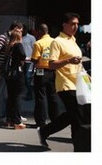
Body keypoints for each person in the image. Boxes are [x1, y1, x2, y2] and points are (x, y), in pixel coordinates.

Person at [38, 13, 91, 151]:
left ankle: (46, 132)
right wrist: (68, 60)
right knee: (77, 114)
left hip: (79, 84)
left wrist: (88, 78)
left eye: (77, 24)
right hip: (65, 84)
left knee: (76, 115)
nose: (75, 26)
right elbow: (51, 64)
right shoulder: (57, 41)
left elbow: (79, 64)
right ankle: (80, 147)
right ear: (64, 25)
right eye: (72, 24)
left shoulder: (73, 41)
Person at [0, 21, 25, 124]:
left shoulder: (11, 40)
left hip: (9, 70)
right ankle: (2, 116)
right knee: (4, 94)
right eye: (20, 31)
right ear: (15, 28)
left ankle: (11, 115)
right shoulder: (3, 37)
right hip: (4, 69)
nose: (21, 33)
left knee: (10, 94)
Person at [31, 23, 59, 128]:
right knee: (53, 96)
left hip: (41, 71)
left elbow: (35, 59)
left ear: (40, 31)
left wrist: (31, 59)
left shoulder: (38, 43)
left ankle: (41, 122)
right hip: (53, 71)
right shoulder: (55, 42)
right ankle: (56, 120)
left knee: (40, 97)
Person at [2, 31, 27, 129]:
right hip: (17, 74)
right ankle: (17, 121)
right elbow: (23, 55)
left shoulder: (9, 46)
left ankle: (9, 119)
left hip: (9, 75)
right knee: (17, 96)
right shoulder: (18, 45)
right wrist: (23, 60)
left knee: (11, 97)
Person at [22, 26, 37, 101]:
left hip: (29, 61)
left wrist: (34, 60)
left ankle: (30, 94)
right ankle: (26, 93)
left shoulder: (31, 38)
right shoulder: (19, 38)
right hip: (21, 62)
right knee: (23, 78)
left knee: (28, 77)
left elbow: (35, 49)